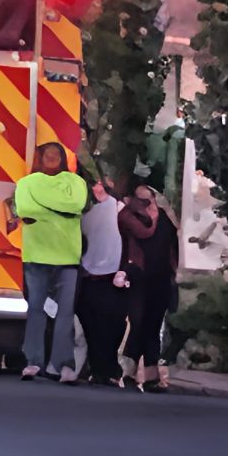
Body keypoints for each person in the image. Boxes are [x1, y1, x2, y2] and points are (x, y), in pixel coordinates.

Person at [9, 139, 90, 381]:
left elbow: (76, 205)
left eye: (57, 153)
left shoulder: (75, 182)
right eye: (48, 154)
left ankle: (64, 365)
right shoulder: (25, 183)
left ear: (64, 158)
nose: (52, 157)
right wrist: (60, 211)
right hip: (36, 255)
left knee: (65, 313)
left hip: (67, 257)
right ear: (40, 158)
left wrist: (42, 209)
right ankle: (33, 362)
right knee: (36, 310)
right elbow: (24, 210)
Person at [118, 176, 180, 391]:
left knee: (153, 324)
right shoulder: (127, 216)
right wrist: (152, 215)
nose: (147, 204)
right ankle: (129, 370)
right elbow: (144, 232)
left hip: (161, 276)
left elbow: (174, 240)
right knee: (138, 322)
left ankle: (149, 375)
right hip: (138, 276)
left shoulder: (164, 217)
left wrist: (174, 271)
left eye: (150, 199)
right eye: (142, 200)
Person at [73, 166, 129, 385]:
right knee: (91, 325)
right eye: (92, 183)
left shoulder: (119, 209)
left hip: (113, 276)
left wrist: (126, 270)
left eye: (100, 182)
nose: (96, 187)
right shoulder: (81, 210)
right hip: (88, 274)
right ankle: (100, 370)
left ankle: (109, 368)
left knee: (114, 324)